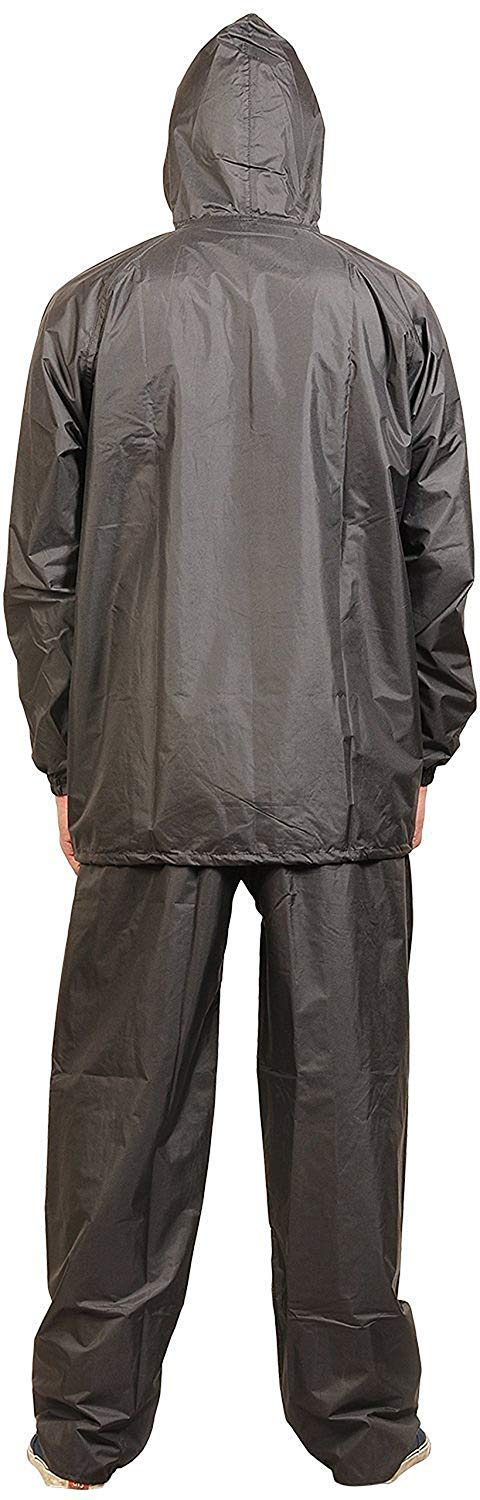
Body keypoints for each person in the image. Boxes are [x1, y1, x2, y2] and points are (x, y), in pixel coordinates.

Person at [4, 13, 475, 1491]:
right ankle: (363, 1423)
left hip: (147, 766)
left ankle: (84, 1429)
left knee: (118, 1100)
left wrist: (71, 754)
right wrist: (421, 741)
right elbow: (441, 554)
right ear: (311, 146)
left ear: (182, 142)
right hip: (342, 767)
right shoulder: (388, 306)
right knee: (347, 1104)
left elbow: (39, 570)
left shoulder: (93, 308)